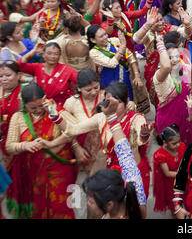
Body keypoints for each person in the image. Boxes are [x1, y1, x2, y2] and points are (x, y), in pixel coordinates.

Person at [36, 81, 151, 217]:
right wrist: (53, 112)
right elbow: (73, 129)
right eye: (108, 101)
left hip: (132, 170)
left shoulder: (136, 118)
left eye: (117, 102)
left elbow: (140, 138)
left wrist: (143, 134)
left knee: (131, 206)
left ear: (127, 102)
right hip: (113, 173)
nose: (112, 106)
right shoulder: (101, 118)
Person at [5, 82, 78, 219]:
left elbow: (75, 130)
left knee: (61, 206)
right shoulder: (18, 117)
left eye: (40, 106)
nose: (38, 110)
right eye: (32, 108)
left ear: (45, 98)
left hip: (59, 170)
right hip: (32, 172)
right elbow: (9, 146)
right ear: (24, 105)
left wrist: (52, 143)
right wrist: (24, 146)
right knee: (37, 209)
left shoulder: (55, 110)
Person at [152, 32, 192, 144]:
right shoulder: (160, 75)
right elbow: (167, 66)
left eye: (177, 56)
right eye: (170, 57)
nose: (175, 60)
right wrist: (160, 45)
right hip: (169, 118)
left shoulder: (184, 68)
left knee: (189, 148)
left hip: (187, 114)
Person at [87, 25, 143, 102]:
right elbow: (112, 63)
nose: (105, 37)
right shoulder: (93, 52)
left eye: (105, 34)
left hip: (125, 78)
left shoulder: (114, 41)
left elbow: (130, 56)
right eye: (101, 36)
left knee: (129, 101)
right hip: (110, 83)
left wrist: (137, 75)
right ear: (93, 40)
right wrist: (122, 47)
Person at [153, 124, 186, 214]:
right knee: (175, 204)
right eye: (174, 143)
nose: (178, 144)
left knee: (185, 198)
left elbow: (184, 160)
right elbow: (167, 173)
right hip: (170, 183)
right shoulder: (160, 155)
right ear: (165, 142)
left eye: (179, 141)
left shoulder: (182, 146)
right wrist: (183, 174)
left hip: (182, 179)